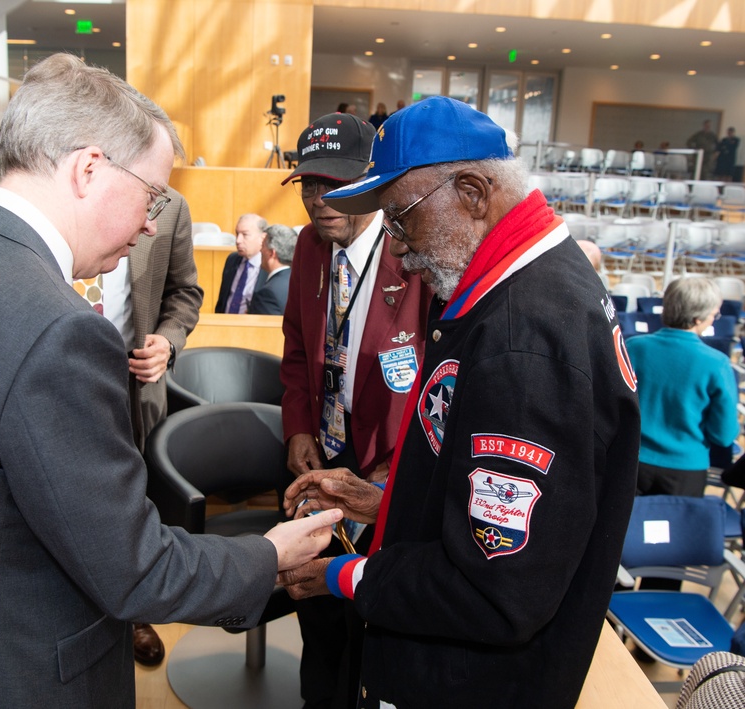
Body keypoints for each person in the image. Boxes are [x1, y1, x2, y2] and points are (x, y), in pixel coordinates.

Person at [0, 54, 340, 707]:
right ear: (88, 169)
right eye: (152, 193)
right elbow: (133, 567)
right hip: (9, 678)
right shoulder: (58, 330)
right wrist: (268, 555)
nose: (152, 222)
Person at [279, 96, 641, 708]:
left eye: (401, 218)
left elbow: (492, 589)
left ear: (473, 193)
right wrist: (380, 503)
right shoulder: (531, 286)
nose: (396, 249)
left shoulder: (524, 342)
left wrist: (344, 576)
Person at [279, 111, 432, 709]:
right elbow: (296, 346)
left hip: (388, 470)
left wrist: (394, 475)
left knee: (371, 625)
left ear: (371, 181)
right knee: (316, 617)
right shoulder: (308, 247)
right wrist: (296, 427)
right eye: (310, 187)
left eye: (336, 185)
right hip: (320, 460)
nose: (321, 201)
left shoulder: (413, 248)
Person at [96, 188, 204, 667]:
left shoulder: (171, 206)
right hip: (54, 375)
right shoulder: (57, 191)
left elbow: (186, 293)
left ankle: (135, 615)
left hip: (135, 384)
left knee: (135, 504)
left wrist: (169, 340)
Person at [627, 277, 738, 498]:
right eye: (714, 314)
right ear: (698, 318)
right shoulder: (716, 363)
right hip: (685, 469)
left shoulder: (633, 347)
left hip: (631, 460)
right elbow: (723, 435)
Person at [215, 213, 267, 313]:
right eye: (237, 234)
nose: (238, 240)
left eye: (245, 235)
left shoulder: (268, 266)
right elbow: (222, 300)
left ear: (263, 238)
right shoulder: (232, 259)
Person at [248, 224, 294, 315]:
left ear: (271, 253)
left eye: (263, 246)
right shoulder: (300, 282)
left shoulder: (267, 294)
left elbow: (265, 329)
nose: (260, 250)